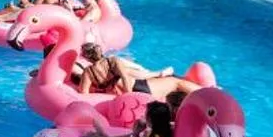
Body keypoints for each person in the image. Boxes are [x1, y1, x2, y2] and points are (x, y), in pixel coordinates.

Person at [67, 44, 207, 101]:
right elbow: (126, 77)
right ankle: (207, 94)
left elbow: (83, 95)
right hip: (139, 88)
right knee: (176, 82)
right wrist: (130, 96)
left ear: (86, 57)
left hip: (129, 91)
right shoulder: (112, 61)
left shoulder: (88, 73)